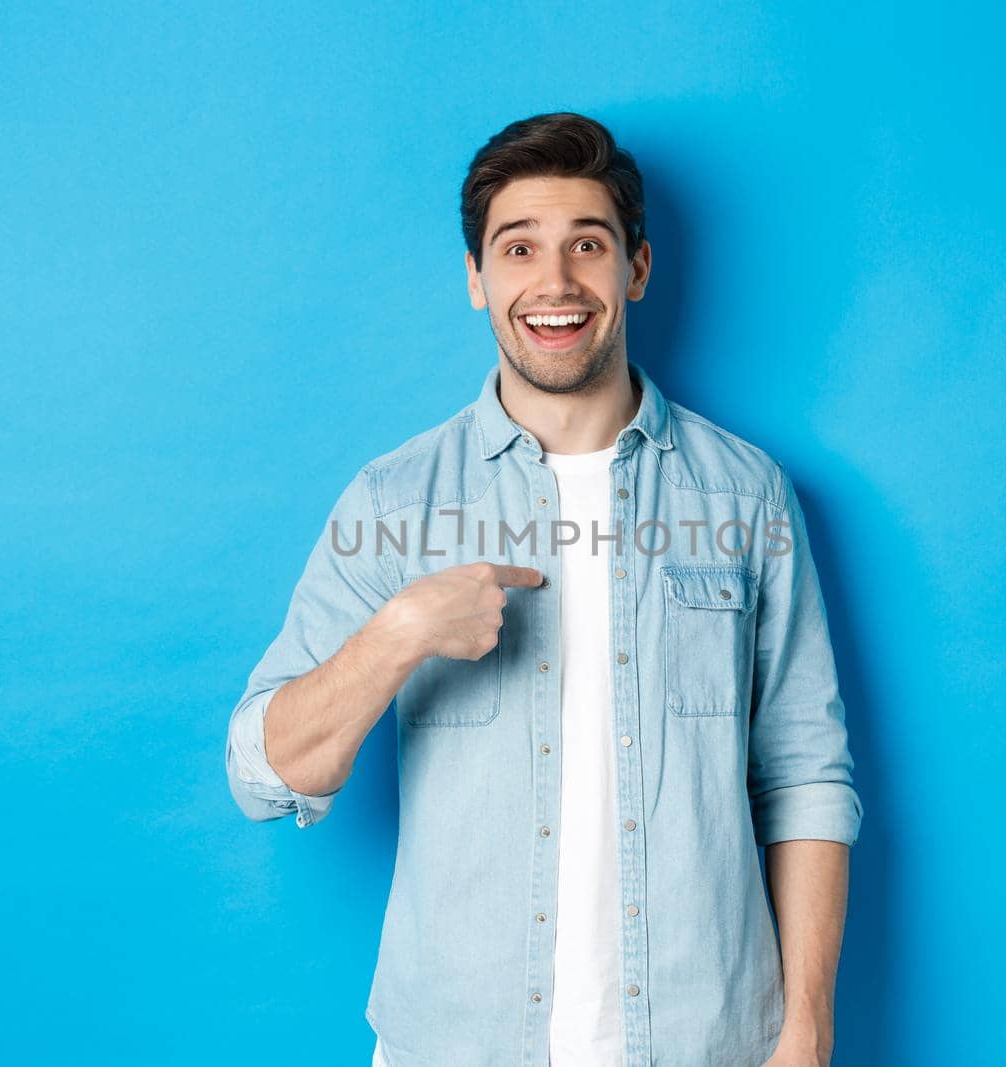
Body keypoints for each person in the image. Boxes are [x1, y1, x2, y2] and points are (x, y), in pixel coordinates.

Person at [225, 111, 862, 1067]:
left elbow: (807, 776)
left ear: (636, 270)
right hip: (459, 1043)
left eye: (588, 246)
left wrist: (806, 1033)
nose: (554, 282)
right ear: (477, 279)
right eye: (518, 248)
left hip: (706, 1042)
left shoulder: (746, 495)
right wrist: (398, 631)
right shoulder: (396, 501)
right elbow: (261, 773)